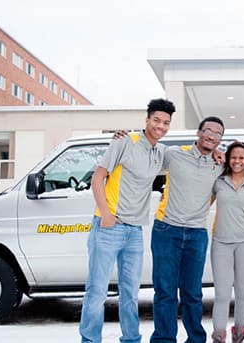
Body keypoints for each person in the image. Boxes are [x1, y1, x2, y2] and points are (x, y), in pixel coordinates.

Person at [79, 98, 175, 343]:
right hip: (109, 227)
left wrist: (217, 153)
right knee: (97, 291)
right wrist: (107, 214)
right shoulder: (125, 141)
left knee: (130, 293)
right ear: (147, 120)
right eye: (156, 120)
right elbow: (97, 178)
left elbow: (186, 158)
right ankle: (90, 340)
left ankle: (131, 339)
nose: (160, 127)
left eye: (165, 123)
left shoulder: (160, 152)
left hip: (135, 231)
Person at [151, 116, 225, 343]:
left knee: (193, 293)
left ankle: (196, 338)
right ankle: (164, 339)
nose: (212, 135)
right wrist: (122, 138)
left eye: (217, 133)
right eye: (208, 130)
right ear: (198, 133)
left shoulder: (221, 163)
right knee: (165, 291)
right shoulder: (174, 154)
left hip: (196, 234)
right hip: (166, 230)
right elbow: (145, 152)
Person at [210, 141, 244, 343]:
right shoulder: (218, 181)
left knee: (243, 292)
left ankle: (239, 335)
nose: (237, 161)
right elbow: (204, 202)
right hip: (221, 242)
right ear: (227, 158)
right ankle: (218, 336)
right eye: (233, 157)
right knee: (222, 294)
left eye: (241, 157)